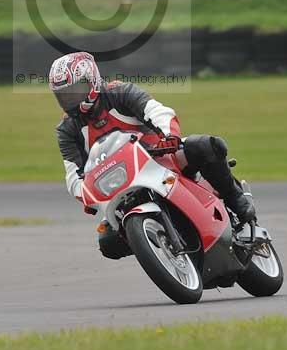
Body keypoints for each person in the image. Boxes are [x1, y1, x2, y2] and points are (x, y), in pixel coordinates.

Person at [49, 51, 256, 226]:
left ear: (91, 81)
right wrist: (87, 195)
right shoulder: (67, 129)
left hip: (158, 158)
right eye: (65, 96)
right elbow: (73, 175)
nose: (71, 99)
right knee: (108, 243)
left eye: (76, 91)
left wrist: (169, 136)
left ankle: (235, 198)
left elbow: (157, 112)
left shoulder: (119, 92)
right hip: (119, 184)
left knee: (204, 146)